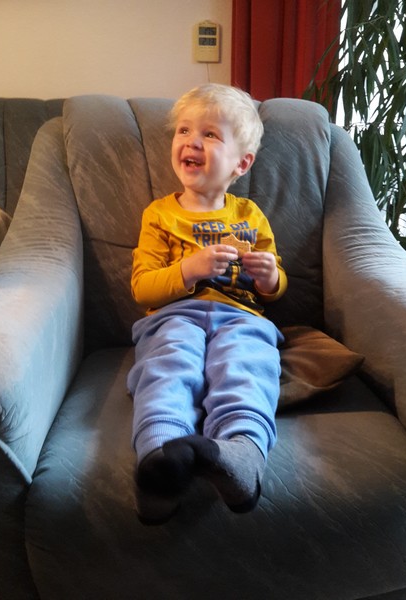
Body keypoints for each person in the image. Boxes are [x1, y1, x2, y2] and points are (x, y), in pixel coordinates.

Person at [127, 83, 287, 524]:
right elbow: (142, 288)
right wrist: (189, 269)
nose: (191, 142)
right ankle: (160, 460)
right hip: (173, 317)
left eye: (210, 134)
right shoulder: (160, 215)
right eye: (184, 131)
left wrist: (270, 277)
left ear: (241, 163)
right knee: (169, 363)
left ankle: (241, 456)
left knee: (245, 364)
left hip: (241, 317)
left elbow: (275, 283)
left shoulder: (249, 215)